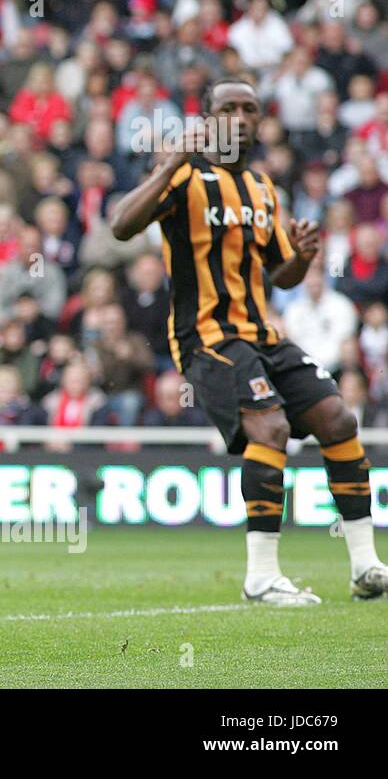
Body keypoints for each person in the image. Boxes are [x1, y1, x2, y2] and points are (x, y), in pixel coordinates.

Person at [110, 77, 388, 605]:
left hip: (263, 334)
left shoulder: (263, 188)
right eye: (228, 108)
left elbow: (279, 274)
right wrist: (169, 164)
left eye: (250, 109)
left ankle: (365, 566)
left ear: (260, 120)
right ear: (209, 118)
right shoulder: (185, 177)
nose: (240, 116)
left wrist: (301, 258)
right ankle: (261, 576)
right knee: (272, 425)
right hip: (207, 336)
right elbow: (121, 226)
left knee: (339, 420)